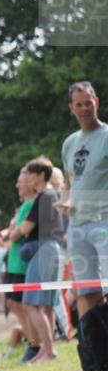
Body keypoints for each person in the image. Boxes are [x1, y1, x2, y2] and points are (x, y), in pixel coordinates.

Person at [59, 82, 108, 322]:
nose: (84, 108)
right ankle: (93, 353)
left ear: (96, 102)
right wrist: (65, 202)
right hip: (77, 226)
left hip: (105, 222)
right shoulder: (69, 143)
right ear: (71, 108)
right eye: (79, 104)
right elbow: (69, 184)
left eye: (88, 103)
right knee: (86, 291)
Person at [9, 157, 64, 364]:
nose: (28, 179)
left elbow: (26, 228)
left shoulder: (43, 196)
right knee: (46, 305)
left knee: (31, 303)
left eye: (30, 174)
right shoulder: (54, 195)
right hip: (52, 249)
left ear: (41, 175)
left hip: (43, 250)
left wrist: (13, 233)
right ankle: (46, 349)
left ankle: (48, 350)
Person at [1, 169, 41, 361]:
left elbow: (17, 233)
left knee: (22, 305)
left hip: (22, 263)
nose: (17, 185)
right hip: (14, 261)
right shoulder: (24, 206)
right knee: (13, 303)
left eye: (21, 181)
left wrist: (11, 233)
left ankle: (35, 343)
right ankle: (32, 340)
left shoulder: (31, 204)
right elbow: (12, 232)